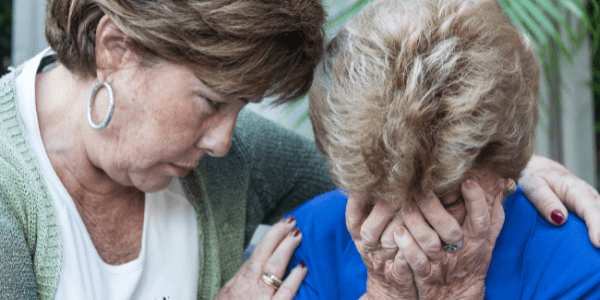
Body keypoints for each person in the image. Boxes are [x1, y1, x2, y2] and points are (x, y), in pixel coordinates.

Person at [0, 0, 599, 299]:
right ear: (115, 49)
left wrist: (498, 164)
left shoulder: (221, 154)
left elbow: (395, 164)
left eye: (243, 107)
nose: (226, 140)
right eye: (212, 101)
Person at [286, 0, 600, 298]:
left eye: (448, 202)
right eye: (380, 201)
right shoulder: (306, 242)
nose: (411, 237)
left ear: (503, 170)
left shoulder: (577, 264)